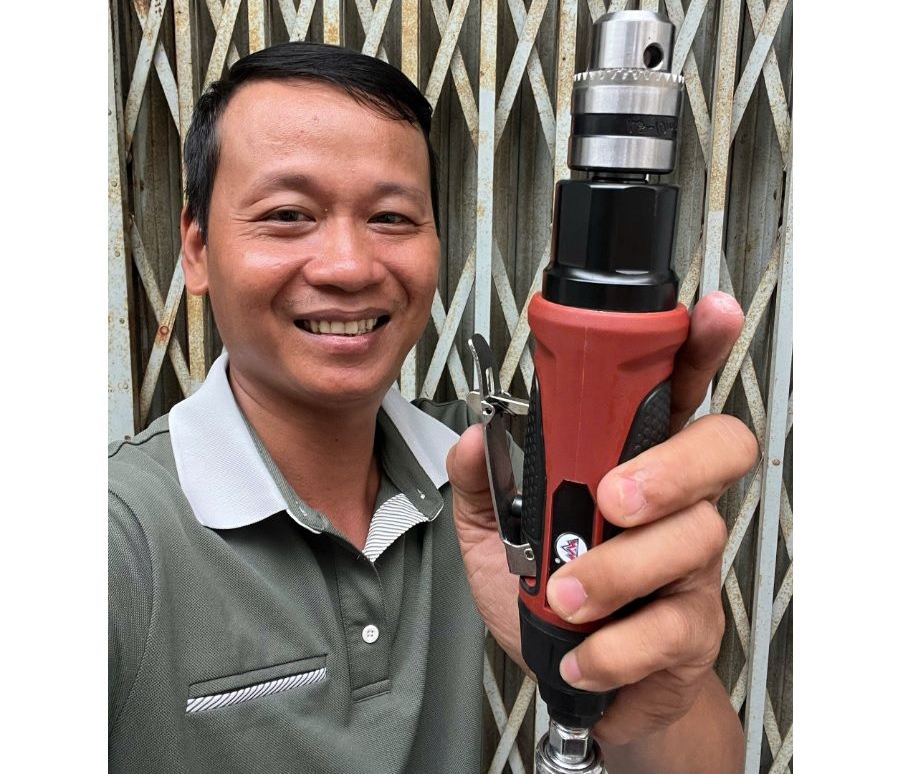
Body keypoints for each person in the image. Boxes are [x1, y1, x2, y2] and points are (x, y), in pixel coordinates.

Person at [108, 42, 758, 774]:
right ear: (197, 249)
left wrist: (619, 671)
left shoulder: (493, 476)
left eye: (392, 217)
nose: (349, 267)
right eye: (288, 214)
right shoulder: (117, 541)